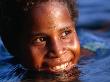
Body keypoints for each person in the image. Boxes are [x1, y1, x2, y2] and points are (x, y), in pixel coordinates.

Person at [0, 0, 80, 81]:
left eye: (65, 33)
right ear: (11, 45)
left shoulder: (90, 54)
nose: (58, 51)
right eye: (40, 39)